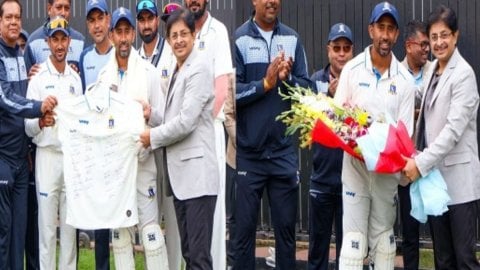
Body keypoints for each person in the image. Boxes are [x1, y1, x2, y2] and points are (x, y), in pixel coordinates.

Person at [333, 2, 415, 269]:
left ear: (397, 35)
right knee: (354, 246)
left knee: (384, 244)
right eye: (381, 27)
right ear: (371, 30)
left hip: (386, 176)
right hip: (355, 170)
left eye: (391, 29)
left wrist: (380, 150)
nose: (385, 35)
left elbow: (405, 134)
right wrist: (357, 143)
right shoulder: (353, 69)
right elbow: (335, 118)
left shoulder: (404, 79)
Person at [232, 0, 311, 268]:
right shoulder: (239, 39)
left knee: (286, 235)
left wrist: (288, 80)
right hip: (249, 156)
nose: (271, 2)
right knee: (243, 236)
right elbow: (232, 94)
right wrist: (264, 84)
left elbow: (308, 90)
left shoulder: (292, 38)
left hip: (282, 154)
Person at [139, 8, 218, 269]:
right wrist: (152, 114)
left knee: (198, 257)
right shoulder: (178, 67)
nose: (179, 40)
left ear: (194, 35)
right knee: (190, 253)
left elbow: (185, 123)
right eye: (174, 36)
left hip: (197, 179)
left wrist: (152, 137)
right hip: (183, 179)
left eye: (184, 33)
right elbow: (175, 115)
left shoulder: (199, 68)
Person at [402, 5, 480, 269]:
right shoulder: (433, 69)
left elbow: (452, 132)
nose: (438, 43)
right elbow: (415, 99)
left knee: (464, 259)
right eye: (434, 37)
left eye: (444, 35)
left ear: (455, 36)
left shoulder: (464, 75)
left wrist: (420, 164)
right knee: (443, 260)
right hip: (437, 185)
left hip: (459, 186)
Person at [96, 7, 168, 270]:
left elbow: (162, 120)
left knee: (151, 235)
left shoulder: (148, 72)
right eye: (120, 32)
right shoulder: (104, 77)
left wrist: (149, 121)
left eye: (128, 31)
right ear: (112, 35)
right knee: (121, 236)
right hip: (116, 170)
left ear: (132, 35)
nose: (124, 38)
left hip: (144, 166)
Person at [0, 1, 57, 269]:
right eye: (8, 17)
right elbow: (6, 99)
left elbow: (25, 94)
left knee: (21, 233)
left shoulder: (21, 56)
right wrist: (38, 108)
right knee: (4, 232)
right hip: (2, 158)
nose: (14, 22)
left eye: (17, 17)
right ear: (0, 21)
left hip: (23, 159)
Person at [24, 16, 82, 270]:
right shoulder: (37, 79)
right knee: (46, 230)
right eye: (54, 40)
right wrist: (41, 122)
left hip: (70, 159)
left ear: (69, 41)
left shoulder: (75, 79)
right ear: (47, 42)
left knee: (70, 229)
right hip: (46, 156)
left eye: (63, 39)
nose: (59, 45)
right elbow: (27, 127)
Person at [184, 0, 233, 268]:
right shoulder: (182, 30)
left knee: (213, 209)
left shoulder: (219, 31)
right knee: (191, 208)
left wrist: (196, 124)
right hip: (185, 135)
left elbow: (222, 88)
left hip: (209, 130)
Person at [135, 2, 182, 269]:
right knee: (150, 227)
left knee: (174, 223)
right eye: (141, 19)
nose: (146, 24)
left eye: (150, 18)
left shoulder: (171, 54)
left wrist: (153, 116)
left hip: (172, 149)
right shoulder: (134, 58)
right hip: (146, 153)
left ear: (157, 21)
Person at [308, 22, 354, 270]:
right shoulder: (315, 80)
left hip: (351, 180)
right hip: (322, 180)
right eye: (336, 48)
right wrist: (329, 98)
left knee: (348, 253)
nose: (341, 54)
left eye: (346, 48)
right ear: (328, 50)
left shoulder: (358, 82)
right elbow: (306, 122)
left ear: (352, 51)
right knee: (317, 251)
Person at [77, 0, 112, 269]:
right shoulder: (84, 58)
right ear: (88, 25)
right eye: (92, 20)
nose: (97, 25)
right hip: (94, 146)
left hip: (117, 145)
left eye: (101, 18)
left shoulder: (120, 53)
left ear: (108, 20)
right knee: (98, 214)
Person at [398, 19, 431, 270]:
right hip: (406, 166)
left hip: (433, 163)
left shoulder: (435, 72)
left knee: (440, 230)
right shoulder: (395, 75)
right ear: (409, 46)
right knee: (409, 232)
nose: (427, 50)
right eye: (423, 45)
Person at [23, 0, 85, 75]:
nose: (63, 13)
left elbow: (85, 80)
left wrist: (76, 74)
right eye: (59, 8)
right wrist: (29, 78)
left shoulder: (80, 41)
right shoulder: (33, 41)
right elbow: (25, 78)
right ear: (49, 9)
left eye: (67, 8)